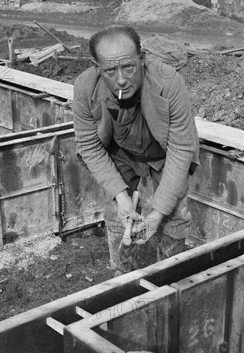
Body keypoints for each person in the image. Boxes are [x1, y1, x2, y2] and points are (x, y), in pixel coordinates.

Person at [72, 25, 200, 276]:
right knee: (118, 214)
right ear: (96, 67)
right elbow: (89, 145)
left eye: (128, 67)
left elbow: (181, 149)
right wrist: (120, 196)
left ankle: (171, 276)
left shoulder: (169, 83)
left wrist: (158, 212)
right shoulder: (85, 88)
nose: (121, 79)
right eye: (110, 70)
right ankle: (122, 275)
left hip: (164, 154)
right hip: (119, 152)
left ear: (141, 59)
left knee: (173, 213)